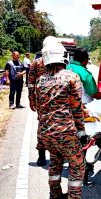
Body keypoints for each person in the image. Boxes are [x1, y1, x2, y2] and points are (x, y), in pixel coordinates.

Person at [36, 41, 93, 199]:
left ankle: (55, 196)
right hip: (65, 132)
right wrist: (82, 132)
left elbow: (40, 107)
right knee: (77, 165)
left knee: (55, 162)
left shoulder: (41, 80)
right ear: (63, 57)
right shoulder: (70, 77)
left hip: (46, 132)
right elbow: (76, 108)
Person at [28, 36, 58, 166]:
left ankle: (46, 155)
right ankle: (44, 154)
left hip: (47, 101)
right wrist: (31, 98)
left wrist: (31, 98)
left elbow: (31, 83)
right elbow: (31, 82)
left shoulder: (39, 62)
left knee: (44, 126)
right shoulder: (57, 63)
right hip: (52, 100)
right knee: (52, 126)